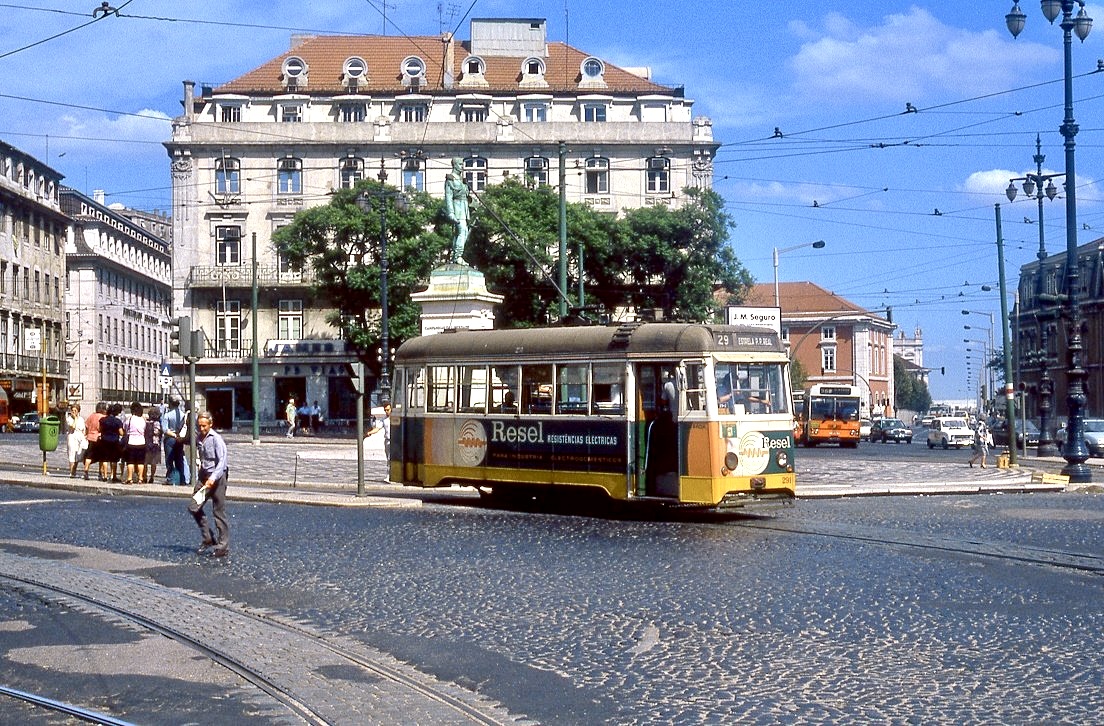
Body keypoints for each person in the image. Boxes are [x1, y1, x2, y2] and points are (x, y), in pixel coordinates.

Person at [190, 411, 230, 557]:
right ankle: (208, 538)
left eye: (204, 426)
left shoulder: (216, 439)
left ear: (210, 424)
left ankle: (222, 546)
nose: (201, 429)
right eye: (199, 426)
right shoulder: (199, 438)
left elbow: (222, 462)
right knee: (194, 506)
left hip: (217, 478)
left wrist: (213, 478)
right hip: (204, 477)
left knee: (218, 511)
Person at [443, 157, 470, 262]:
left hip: (464, 209)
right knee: (462, 230)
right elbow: (448, 197)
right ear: (454, 165)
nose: (462, 167)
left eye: (463, 164)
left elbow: (466, 196)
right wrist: (451, 213)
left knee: (463, 232)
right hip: (457, 208)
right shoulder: (450, 179)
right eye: (460, 164)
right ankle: (458, 256)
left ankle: (455, 255)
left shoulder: (462, 180)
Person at [162, 397, 188, 485]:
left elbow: (165, 429)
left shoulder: (167, 415)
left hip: (170, 439)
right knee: (179, 459)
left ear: (170, 403)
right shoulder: (182, 414)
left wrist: (174, 435)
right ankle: (181, 479)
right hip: (180, 439)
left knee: (169, 459)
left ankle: (171, 478)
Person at [99, 403, 125, 483]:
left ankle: (105, 476)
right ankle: (113, 475)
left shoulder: (102, 420)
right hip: (114, 441)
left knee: (104, 458)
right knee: (114, 459)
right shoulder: (117, 421)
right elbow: (121, 433)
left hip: (104, 440)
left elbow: (100, 429)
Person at [123, 401, 147, 484]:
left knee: (130, 461)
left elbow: (125, 428)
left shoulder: (129, 419)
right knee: (140, 461)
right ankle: (140, 478)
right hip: (141, 442)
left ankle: (129, 478)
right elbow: (144, 429)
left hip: (131, 442)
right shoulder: (143, 420)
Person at [82, 402, 106, 481]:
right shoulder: (103, 417)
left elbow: (86, 426)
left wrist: (87, 434)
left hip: (90, 438)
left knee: (89, 455)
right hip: (99, 438)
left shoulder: (91, 416)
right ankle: (100, 473)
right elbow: (102, 428)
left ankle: (86, 471)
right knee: (101, 457)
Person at [65, 403, 87, 478]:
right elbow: (73, 427)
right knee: (72, 454)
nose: (74, 412)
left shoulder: (81, 419)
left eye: (75, 411)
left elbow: (83, 429)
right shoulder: (69, 419)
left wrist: (84, 437)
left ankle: (74, 470)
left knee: (78, 455)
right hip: (72, 437)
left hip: (79, 437)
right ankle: (72, 472)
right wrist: (75, 418)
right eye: (72, 410)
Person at [144, 406, 163, 483]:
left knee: (145, 462)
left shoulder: (146, 423)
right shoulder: (157, 423)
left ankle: (144, 476)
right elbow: (157, 432)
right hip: (155, 444)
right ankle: (152, 476)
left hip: (146, 443)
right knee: (153, 462)